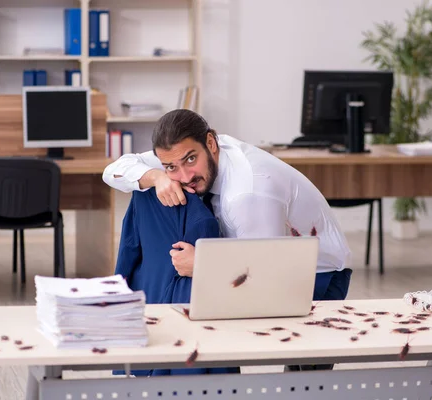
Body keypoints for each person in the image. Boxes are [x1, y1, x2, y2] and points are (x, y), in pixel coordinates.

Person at [103, 109, 353, 371]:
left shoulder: (247, 194)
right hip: (272, 258)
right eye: (171, 166)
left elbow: (265, 271)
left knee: (310, 380)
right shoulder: (185, 156)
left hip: (317, 273)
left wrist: (202, 266)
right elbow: (114, 170)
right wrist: (156, 177)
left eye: (190, 160)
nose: (185, 176)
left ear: (211, 143)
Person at [113, 186, 240, 376]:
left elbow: (127, 254)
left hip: (148, 307)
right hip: (184, 319)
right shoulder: (202, 220)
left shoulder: (142, 193)